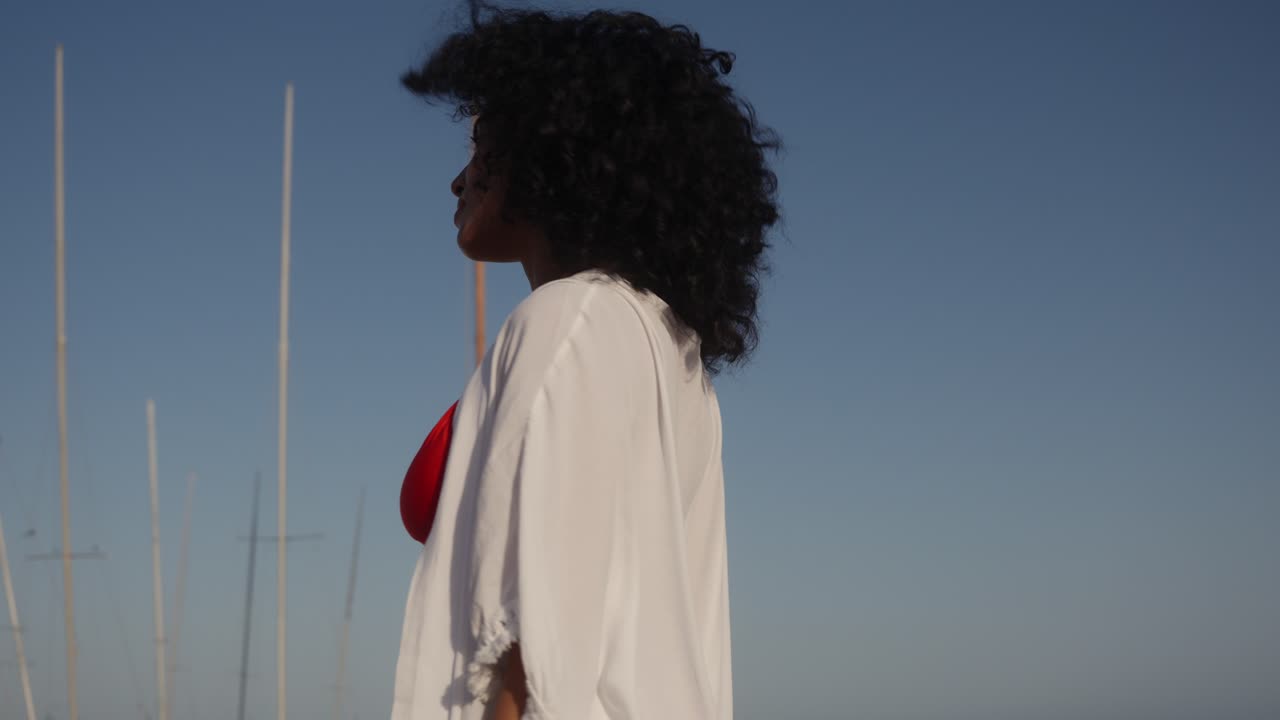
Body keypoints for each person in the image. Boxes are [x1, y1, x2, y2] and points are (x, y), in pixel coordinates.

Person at [393, 3, 780, 718]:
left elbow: (527, 646)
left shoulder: (567, 321)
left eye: (482, 148)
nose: (459, 180)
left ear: (547, 154)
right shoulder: (668, 353)